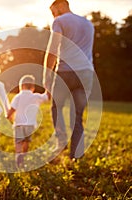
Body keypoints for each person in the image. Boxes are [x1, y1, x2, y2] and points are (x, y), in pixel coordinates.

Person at [43, 0, 95, 159]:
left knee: (56, 107)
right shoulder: (88, 23)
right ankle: (76, 156)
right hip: (86, 73)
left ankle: (61, 140)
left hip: (65, 72)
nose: (53, 14)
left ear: (61, 5)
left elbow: (53, 48)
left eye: (53, 11)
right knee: (77, 116)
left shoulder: (59, 21)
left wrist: (46, 76)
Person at [7, 75, 49, 167]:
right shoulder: (36, 96)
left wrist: (8, 116)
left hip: (18, 124)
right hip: (30, 125)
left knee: (18, 142)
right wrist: (47, 87)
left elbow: (12, 110)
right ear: (33, 88)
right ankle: (24, 155)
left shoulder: (17, 97)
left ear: (21, 87)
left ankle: (18, 155)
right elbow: (47, 97)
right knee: (26, 141)